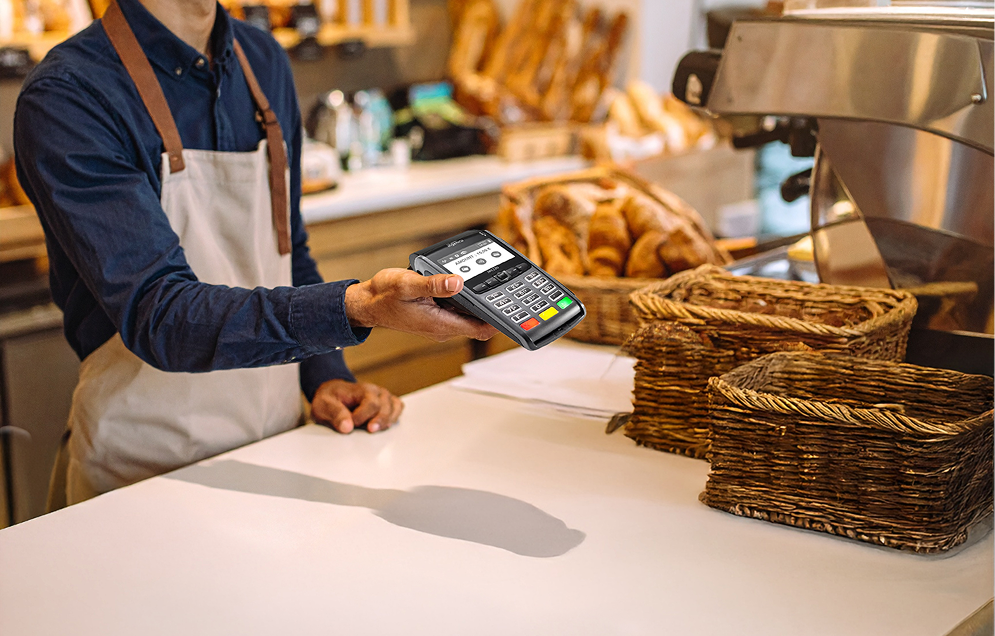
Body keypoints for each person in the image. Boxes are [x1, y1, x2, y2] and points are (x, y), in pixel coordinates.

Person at [13, 0, 496, 507]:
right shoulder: (70, 95)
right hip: (145, 478)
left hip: (277, 455)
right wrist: (357, 307)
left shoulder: (262, 60)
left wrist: (324, 376)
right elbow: (162, 316)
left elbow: (287, 253)